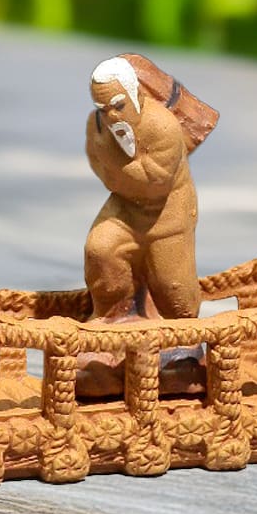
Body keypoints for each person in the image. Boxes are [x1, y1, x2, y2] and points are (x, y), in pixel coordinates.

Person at [83, 56, 202, 322]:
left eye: (119, 106)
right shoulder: (98, 126)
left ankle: (183, 336)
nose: (112, 117)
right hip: (125, 207)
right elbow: (101, 168)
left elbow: (155, 181)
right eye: (103, 109)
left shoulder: (163, 127)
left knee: (174, 290)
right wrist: (119, 173)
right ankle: (116, 314)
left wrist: (113, 164)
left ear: (136, 95)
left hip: (167, 213)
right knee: (100, 249)